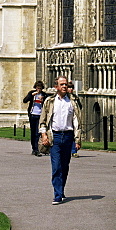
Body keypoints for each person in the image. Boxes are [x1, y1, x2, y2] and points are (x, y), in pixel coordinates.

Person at [38, 75, 80, 204]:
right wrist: (44, 135)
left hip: (68, 136)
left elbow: (76, 122)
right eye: (62, 84)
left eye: (66, 84)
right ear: (56, 87)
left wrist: (77, 140)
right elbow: (43, 120)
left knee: (65, 166)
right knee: (56, 166)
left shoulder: (72, 102)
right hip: (55, 136)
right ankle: (57, 194)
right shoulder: (50, 102)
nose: (64, 86)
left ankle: (61, 190)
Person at [23, 80, 50, 155]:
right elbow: (25, 100)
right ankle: (34, 148)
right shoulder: (32, 93)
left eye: (40, 88)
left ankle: (37, 149)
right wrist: (31, 95)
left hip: (40, 115)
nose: (39, 90)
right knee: (33, 132)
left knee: (38, 133)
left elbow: (48, 102)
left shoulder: (44, 95)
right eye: (38, 88)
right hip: (32, 115)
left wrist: (43, 100)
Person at [65, 81, 82, 156]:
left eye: (72, 88)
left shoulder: (75, 98)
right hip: (66, 119)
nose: (70, 89)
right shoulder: (65, 97)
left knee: (75, 134)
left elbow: (80, 106)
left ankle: (74, 151)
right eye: (69, 87)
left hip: (74, 118)